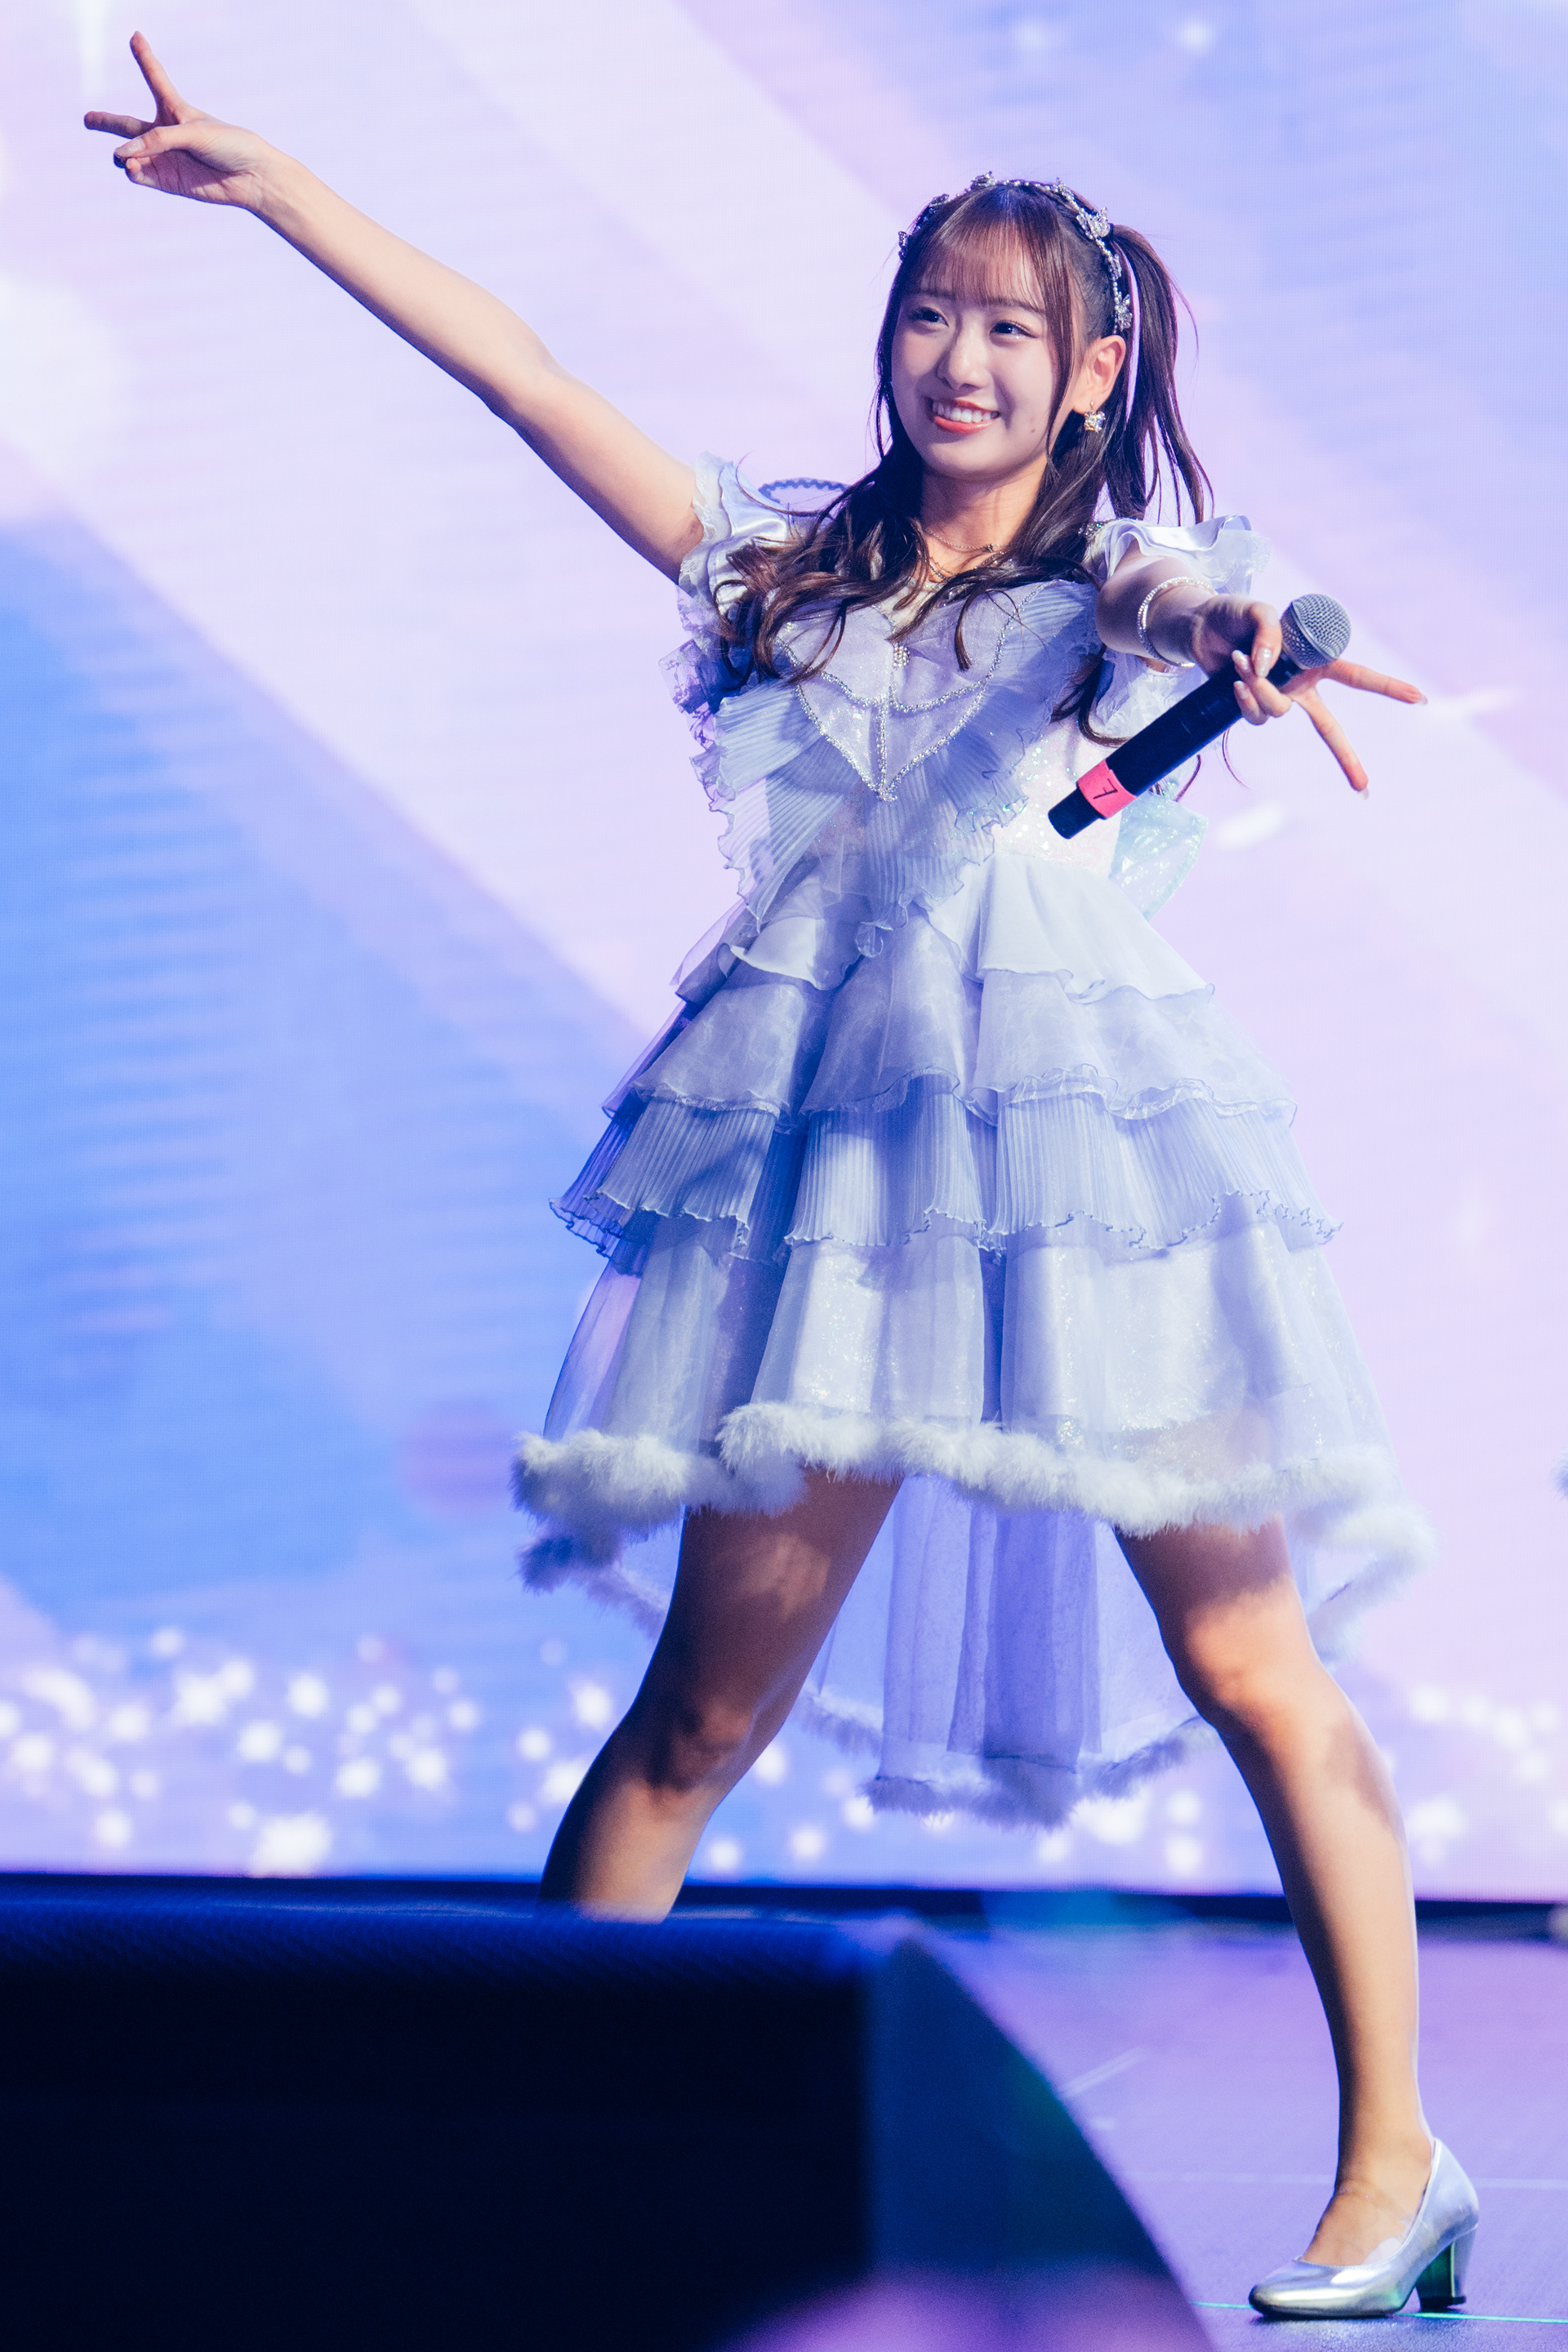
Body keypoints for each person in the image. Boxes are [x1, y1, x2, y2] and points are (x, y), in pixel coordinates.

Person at [90, 37, 1478, 2317]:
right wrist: (283, 191)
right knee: (700, 1717)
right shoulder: (781, 577)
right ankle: (533, 2171)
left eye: (1014, 326)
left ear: (1092, 372)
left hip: (1089, 1179)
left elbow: (1187, 604)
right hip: (843, 1202)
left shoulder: (1114, 582)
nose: (963, 357)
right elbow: (528, 381)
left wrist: (1246, 633)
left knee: (1250, 1661)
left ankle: (1393, 2167)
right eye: (934, 311)